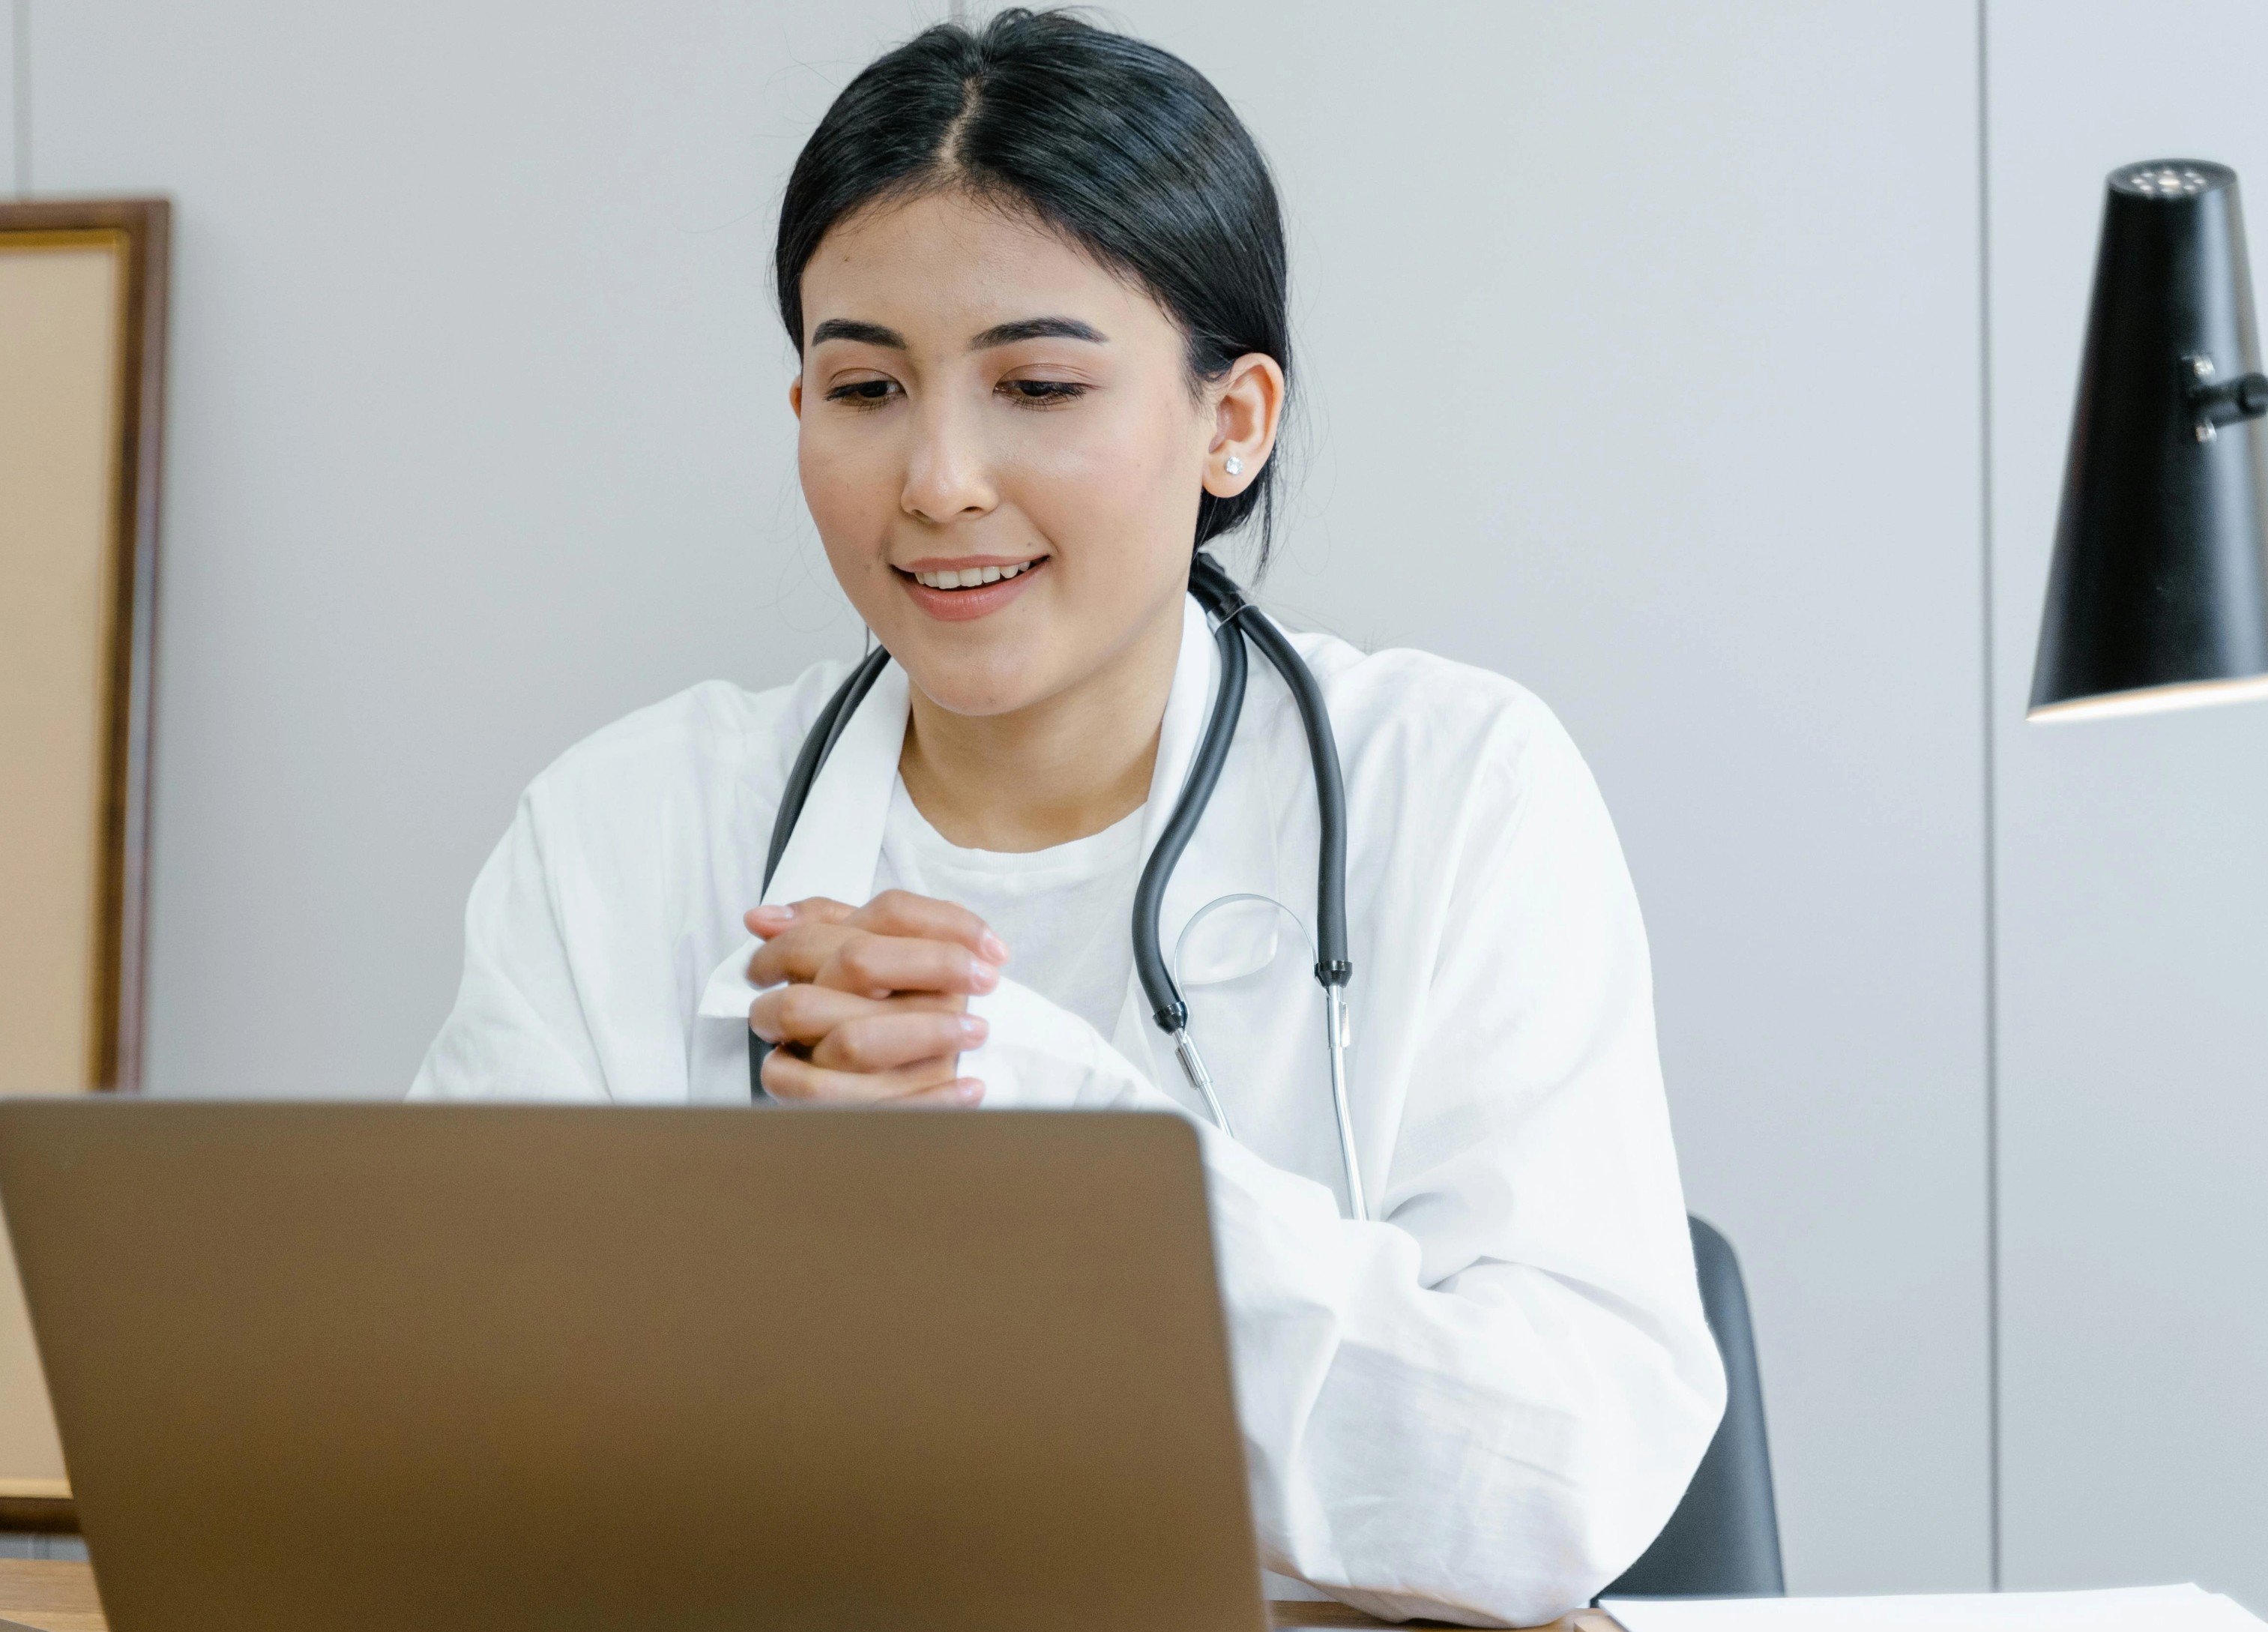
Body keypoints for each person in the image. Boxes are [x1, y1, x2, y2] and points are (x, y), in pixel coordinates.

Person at [411, 10, 1723, 1623]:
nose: (939, 477)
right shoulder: (624, 831)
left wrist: (1073, 1156)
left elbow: (1557, 1483)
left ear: (1232, 422)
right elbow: (450, 1447)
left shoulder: (1449, 790)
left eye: (1035, 382)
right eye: (865, 385)